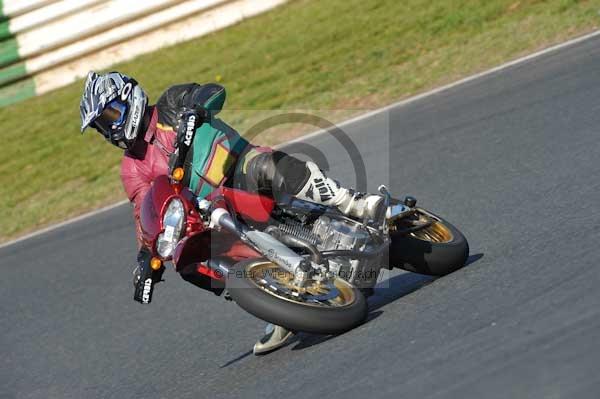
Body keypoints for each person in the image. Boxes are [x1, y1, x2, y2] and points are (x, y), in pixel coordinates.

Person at [80, 71, 384, 354]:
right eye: (101, 125)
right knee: (189, 261)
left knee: (265, 166)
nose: (110, 128)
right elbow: (144, 210)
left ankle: (351, 202)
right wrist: (147, 256)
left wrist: (197, 107)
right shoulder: (131, 167)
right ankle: (276, 298)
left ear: (129, 97)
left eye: (111, 115)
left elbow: (212, 93)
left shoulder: (171, 104)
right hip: (205, 208)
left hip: (239, 170)